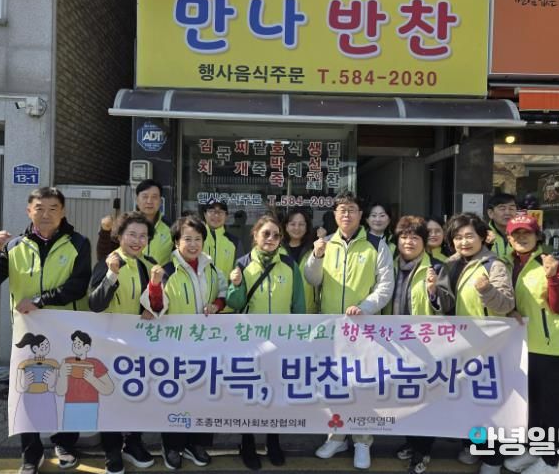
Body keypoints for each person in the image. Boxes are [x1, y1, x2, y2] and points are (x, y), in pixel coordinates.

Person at [0, 187, 90, 474]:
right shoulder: (14, 246)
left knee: (67, 389)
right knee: (27, 393)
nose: (46, 214)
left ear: (63, 212)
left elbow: (78, 286)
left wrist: (40, 301)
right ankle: (31, 452)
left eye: (53, 208)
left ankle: (65, 443)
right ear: (29, 211)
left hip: (66, 331)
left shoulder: (79, 243)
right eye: (39, 208)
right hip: (27, 335)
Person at [304, 191, 394, 470]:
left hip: (364, 329)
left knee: (362, 385)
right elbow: (311, 279)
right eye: (342, 209)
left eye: (352, 209)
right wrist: (316, 256)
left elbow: (385, 285)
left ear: (360, 215)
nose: (346, 214)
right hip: (332, 329)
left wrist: (365, 308)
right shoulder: (326, 243)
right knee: (334, 385)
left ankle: (362, 441)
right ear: (334, 215)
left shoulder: (376, 244)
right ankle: (337, 436)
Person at [141, 214, 227, 470]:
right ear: (177, 242)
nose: (193, 244)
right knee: (175, 398)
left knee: (203, 397)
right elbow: (155, 308)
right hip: (175, 348)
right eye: (187, 239)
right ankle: (172, 446)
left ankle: (196, 444)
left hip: (206, 347)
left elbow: (224, 293)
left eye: (197, 239)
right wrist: (155, 285)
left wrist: (217, 305)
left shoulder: (211, 268)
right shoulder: (167, 271)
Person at [227, 214, 305, 470]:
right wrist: (235, 285)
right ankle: (247, 443)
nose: (271, 239)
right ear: (255, 235)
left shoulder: (289, 264)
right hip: (250, 342)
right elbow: (235, 303)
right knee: (250, 393)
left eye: (275, 235)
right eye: (266, 234)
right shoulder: (242, 263)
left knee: (276, 393)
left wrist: (298, 338)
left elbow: (298, 304)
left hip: (280, 342)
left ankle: (273, 441)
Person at [444, 212, 516, 473]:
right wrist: (432, 292)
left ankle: (492, 459)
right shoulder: (450, 264)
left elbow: (506, 305)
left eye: (469, 236)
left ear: (483, 237)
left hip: (490, 347)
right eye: (458, 237)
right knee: (468, 401)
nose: (463, 242)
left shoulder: (494, 265)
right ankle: (474, 447)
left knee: (490, 404)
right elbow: (446, 304)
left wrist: (487, 289)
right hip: (460, 345)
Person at [89, 211, 157, 474]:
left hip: (140, 345)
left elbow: (159, 301)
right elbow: (95, 304)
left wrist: (155, 308)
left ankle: (133, 443)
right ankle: (112, 451)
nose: (137, 241)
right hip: (110, 346)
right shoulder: (108, 262)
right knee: (111, 399)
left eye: (143, 236)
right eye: (132, 235)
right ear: (119, 236)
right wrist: (112, 275)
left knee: (137, 395)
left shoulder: (150, 265)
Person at [502, 214, 559, 474]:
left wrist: (552, 277)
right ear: (509, 238)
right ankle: (535, 450)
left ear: (537, 236)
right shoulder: (508, 264)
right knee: (529, 406)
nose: (521, 238)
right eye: (516, 234)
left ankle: (551, 462)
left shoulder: (550, 263)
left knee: (550, 406)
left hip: (548, 347)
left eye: (527, 233)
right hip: (520, 347)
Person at [387, 216, 454, 474]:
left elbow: (447, 306)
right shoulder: (390, 266)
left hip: (426, 346)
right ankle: (410, 441)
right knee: (404, 395)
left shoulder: (436, 268)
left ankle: (422, 450)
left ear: (424, 242)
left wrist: (433, 291)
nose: (408, 242)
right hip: (395, 344)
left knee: (425, 398)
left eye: (415, 237)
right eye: (404, 237)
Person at [97, 179, 173, 265]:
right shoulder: (124, 223)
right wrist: (105, 231)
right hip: (126, 273)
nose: (149, 201)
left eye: (154, 197)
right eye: (145, 197)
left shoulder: (170, 228)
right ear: (137, 200)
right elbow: (104, 256)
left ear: (160, 201)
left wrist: (165, 271)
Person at [56, 331, 114, 432]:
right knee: (69, 430)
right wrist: (62, 376)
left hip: (90, 404)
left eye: (78, 344)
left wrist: (92, 379)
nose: (75, 346)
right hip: (70, 404)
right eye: (74, 344)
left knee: (89, 429)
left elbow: (109, 388)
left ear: (87, 347)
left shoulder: (95, 363)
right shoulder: (67, 362)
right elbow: (60, 392)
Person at [281, 208, 317, 313]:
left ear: (306, 227)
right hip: (282, 310)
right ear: (286, 226)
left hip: (308, 309)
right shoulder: (277, 250)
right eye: (292, 224)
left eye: (301, 224)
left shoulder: (314, 250)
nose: (297, 228)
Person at [201, 198, 244, 280]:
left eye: (220, 212)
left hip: (225, 288)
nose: (216, 215)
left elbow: (240, 272)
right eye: (212, 211)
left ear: (226, 216)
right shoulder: (197, 239)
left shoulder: (235, 242)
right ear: (205, 214)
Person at [486, 193, 518, 258]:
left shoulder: (523, 234)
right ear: (490, 213)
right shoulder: (483, 235)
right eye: (502, 209)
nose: (507, 212)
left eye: (511, 209)